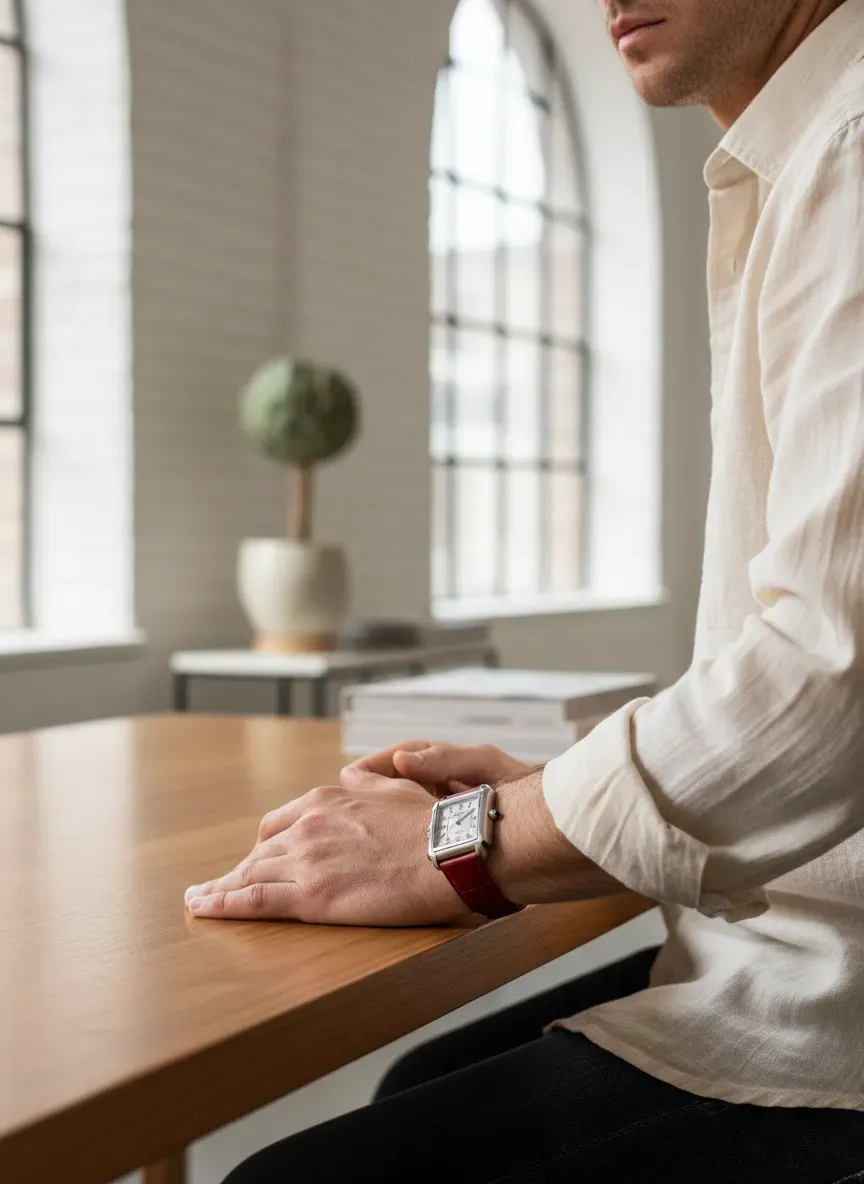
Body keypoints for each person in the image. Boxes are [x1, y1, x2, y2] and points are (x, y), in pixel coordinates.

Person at [186, 0, 864, 1178]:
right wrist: (555, 792)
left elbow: (825, 679)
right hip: (801, 943)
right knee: (415, 1082)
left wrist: (461, 842)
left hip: (836, 1015)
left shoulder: (853, 146)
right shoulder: (806, 151)